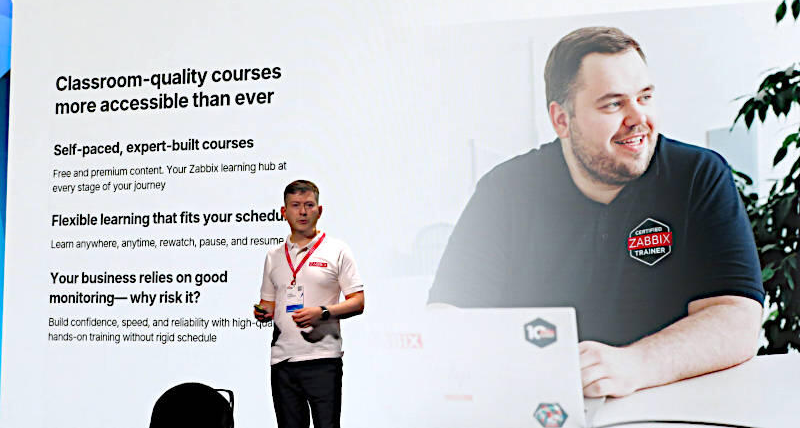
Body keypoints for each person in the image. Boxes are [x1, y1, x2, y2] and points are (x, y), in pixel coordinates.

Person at [427, 27, 764, 398]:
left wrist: (634, 364)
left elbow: (737, 319)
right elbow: (447, 317)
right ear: (561, 120)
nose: (639, 118)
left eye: (645, 97)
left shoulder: (697, 175)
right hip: (542, 407)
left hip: (670, 401)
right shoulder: (504, 191)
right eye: (613, 104)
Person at [254, 180, 365, 428]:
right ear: (284, 212)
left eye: (309, 205)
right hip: (282, 361)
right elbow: (268, 303)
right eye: (295, 205)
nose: (302, 212)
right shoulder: (273, 256)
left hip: (323, 360)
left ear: (319, 210)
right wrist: (262, 312)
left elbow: (358, 302)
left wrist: (322, 312)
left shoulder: (337, 250)